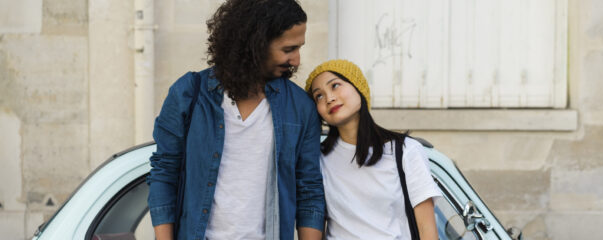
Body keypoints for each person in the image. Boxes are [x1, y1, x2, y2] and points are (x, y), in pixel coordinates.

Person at [147, 1, 325, 239]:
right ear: (256, 44)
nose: (296, 60)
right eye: (288, 49)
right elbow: (164, 173)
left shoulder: (300, 107)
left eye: (299, 48)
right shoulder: (189, 94)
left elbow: (309, 191)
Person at [305, 59, 441, 240]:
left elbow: (427, 230)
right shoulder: (317, 157)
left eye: (335, 86)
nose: (329, 98)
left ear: (358, 87)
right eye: (319, 96)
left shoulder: (406, 150)